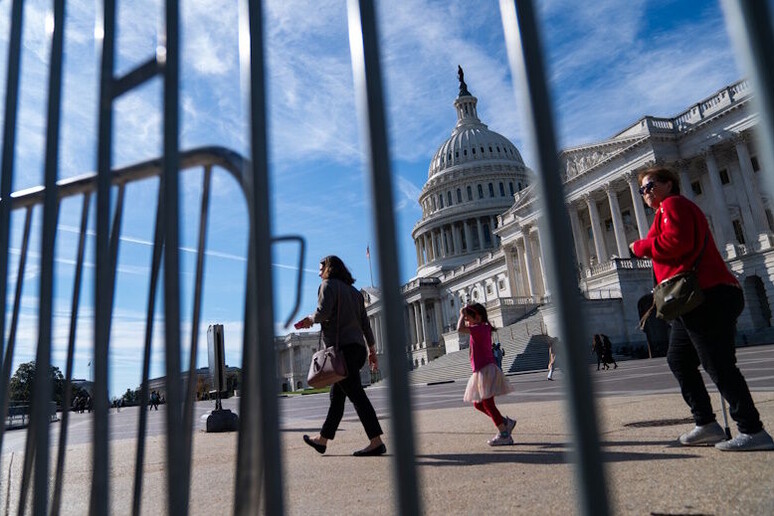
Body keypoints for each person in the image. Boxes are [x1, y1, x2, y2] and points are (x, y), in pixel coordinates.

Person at [629, 166, 774, 451]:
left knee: (718, 363)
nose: (646, 193)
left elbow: (676, 243)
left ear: (669, 183)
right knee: (679, 360)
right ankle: (706, 423)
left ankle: (752, 429)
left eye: (650, 186)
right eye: (642, 190)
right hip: (690, 301)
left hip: (707, 294)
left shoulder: (673, 204)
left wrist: (640, 246)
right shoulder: (665, 210)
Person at [296, 255, 386, 456]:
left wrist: (309, 320)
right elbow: (365, 324)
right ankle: (322, 440)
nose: (319, 273)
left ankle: (376, 441)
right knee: (337, 396)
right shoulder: (355, 293)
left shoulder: (327, 286)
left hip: (340, 352)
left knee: (357, 396)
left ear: (329, 269)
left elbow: (323, 313)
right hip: (357, 349)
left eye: (321, 269)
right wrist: (372, 351)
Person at [457, 303, 515, 446]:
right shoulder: (483, 327)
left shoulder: (478, 328)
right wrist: (466, 314)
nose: (467, 321)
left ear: (478, 317)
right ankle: (505, 422)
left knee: (488, 404)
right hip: (482, 369)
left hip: (485, 370)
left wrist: (461, 314)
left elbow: (459, 328)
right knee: (479, 404)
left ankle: (504, 434)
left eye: (469, 318)